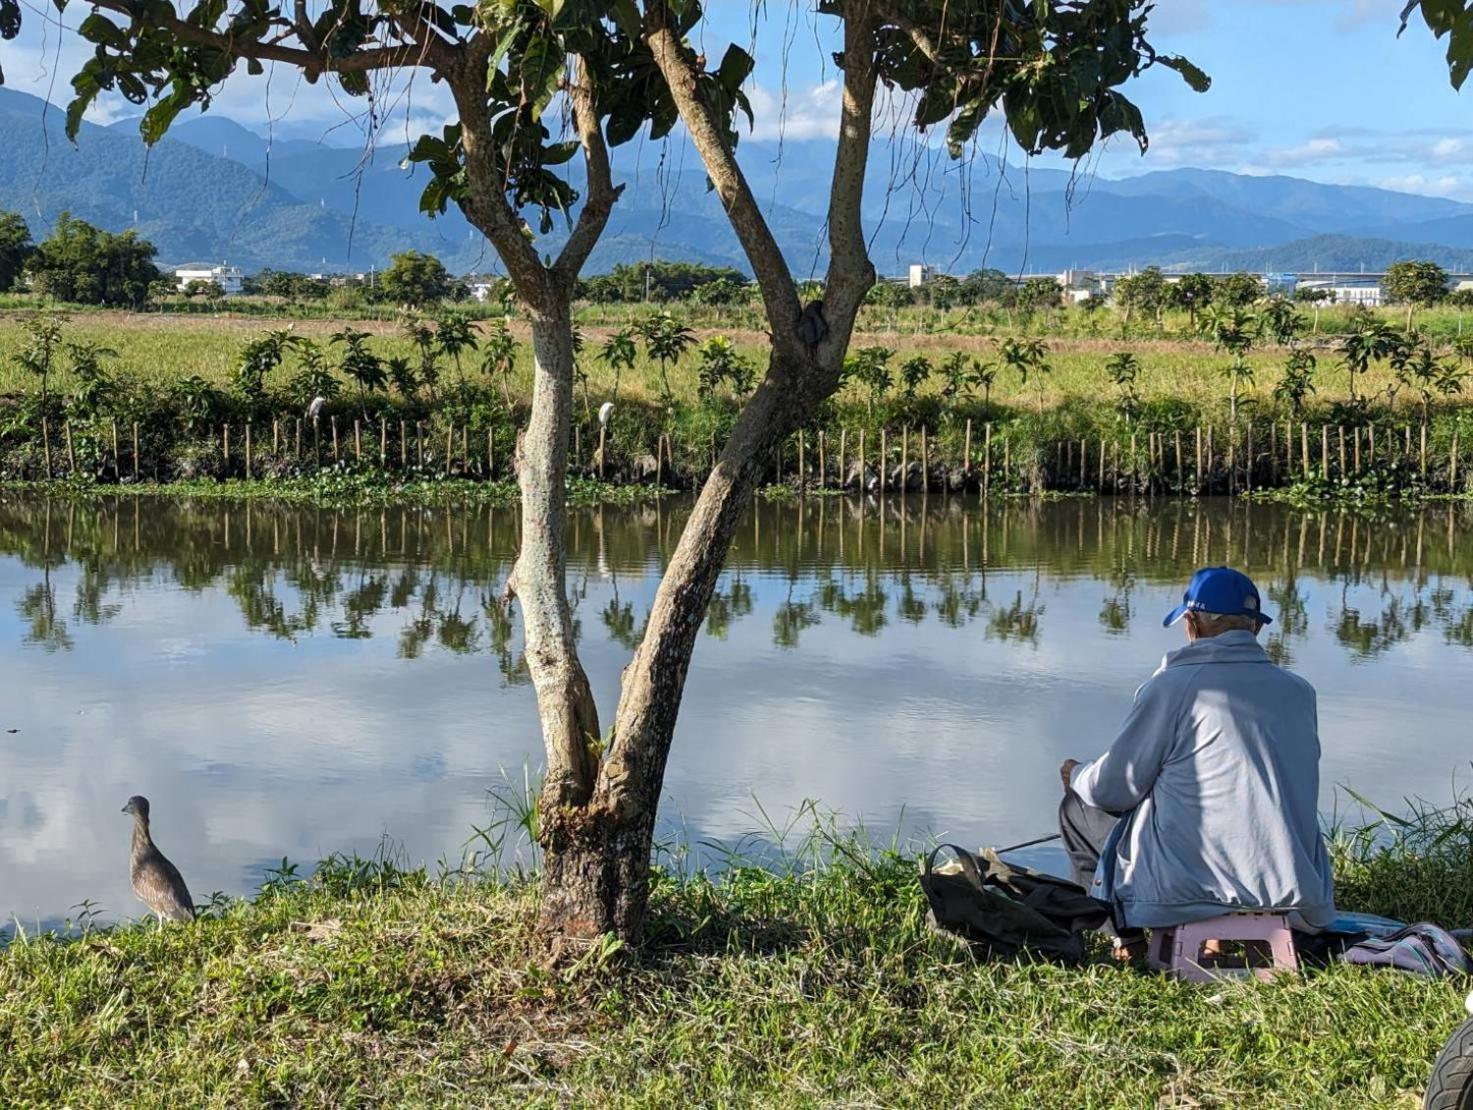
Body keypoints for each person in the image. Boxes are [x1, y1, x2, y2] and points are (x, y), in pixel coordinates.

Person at [1058, 566, 1335, 958]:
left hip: (1186, 890)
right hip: (1296, 890)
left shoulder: (1172, 686)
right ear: (1254, 628)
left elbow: (1113, 789)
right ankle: (1222, 930)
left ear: (1192, 623)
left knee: (1078, 805)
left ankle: (1127, 940)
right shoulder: (1299, 692)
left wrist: (1077, 774)